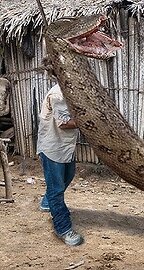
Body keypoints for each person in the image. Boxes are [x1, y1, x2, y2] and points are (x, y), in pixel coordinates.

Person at [37, 80, 84, 246]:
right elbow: (63, 123)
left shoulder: (71, 91)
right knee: (56, 190)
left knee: (68, 176)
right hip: (53, 147)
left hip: (65, 147)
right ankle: (63, 229)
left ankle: (46, 203)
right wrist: (89, 123)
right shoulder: (58, 94)